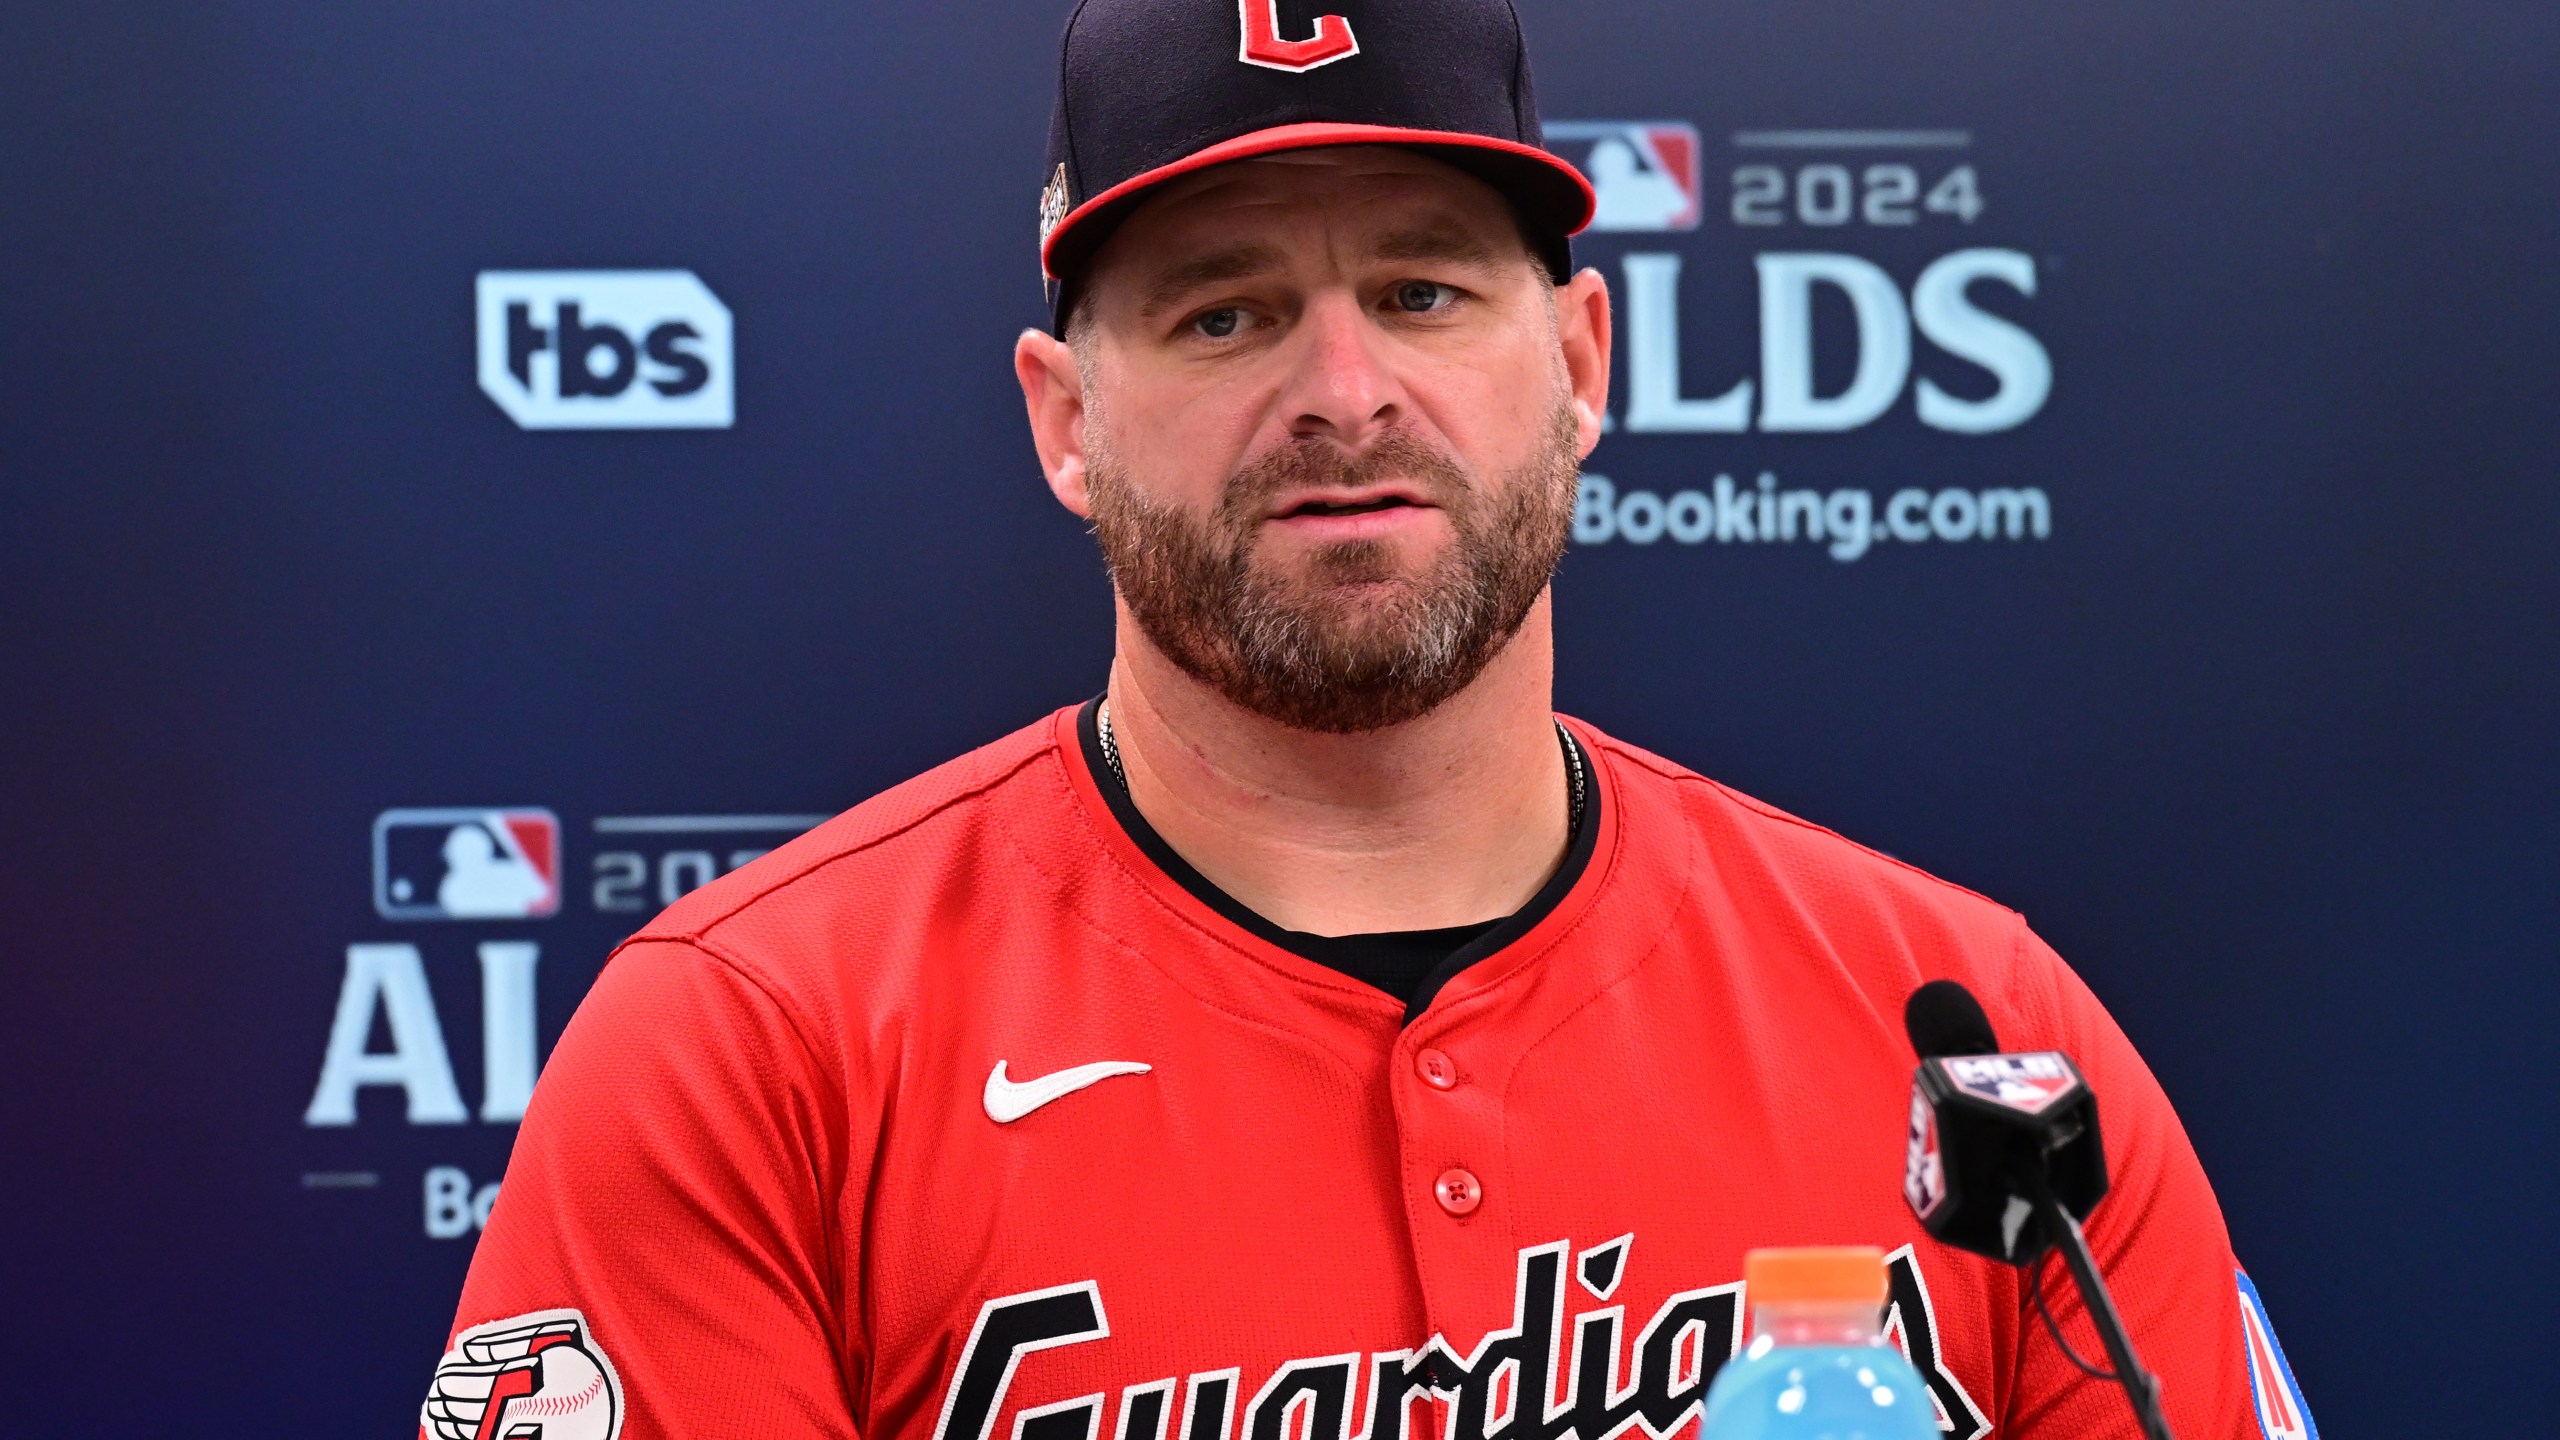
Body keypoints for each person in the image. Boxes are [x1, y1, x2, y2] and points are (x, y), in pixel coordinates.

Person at [427, 2, 2313, 1438]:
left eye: (1420, 290)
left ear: (1578, 363)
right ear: (1065, 421)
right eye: (1223, 316)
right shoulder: (752, 1052)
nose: (1345, 392)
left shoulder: (1978, 1034)